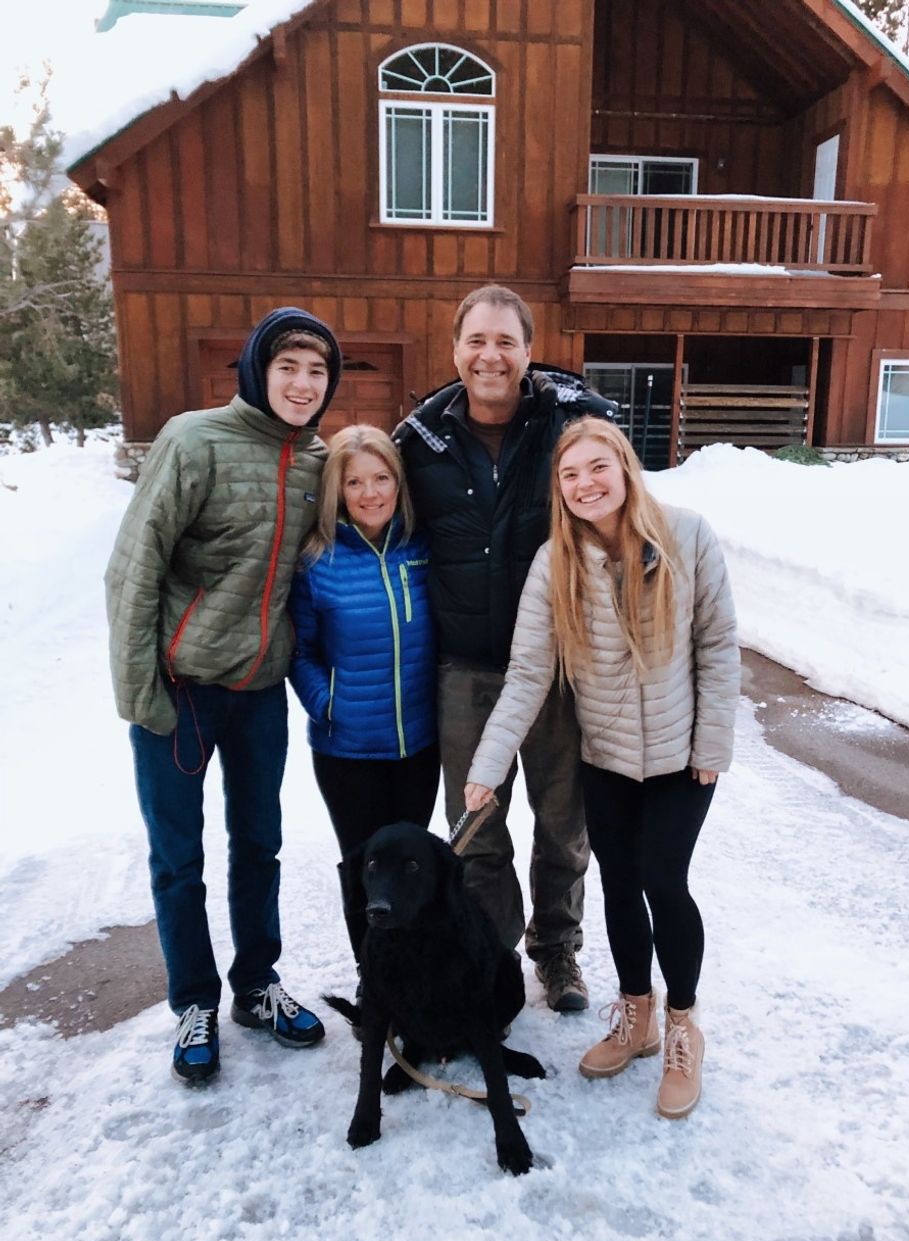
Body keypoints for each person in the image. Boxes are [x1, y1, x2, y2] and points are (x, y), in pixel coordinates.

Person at [464, 417, 739, 1119]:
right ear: (559, 488)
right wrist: (487, 766)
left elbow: (718, 645)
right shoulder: (555, 564)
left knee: (663, 880)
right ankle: (636, 1015)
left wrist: (711, 745)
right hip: (608, 759)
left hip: (681, 758)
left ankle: (682, 1026)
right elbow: (528, 674)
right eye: (570, 474)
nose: (585, 484)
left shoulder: (687, 536)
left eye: (597, 467)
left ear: (624, 467)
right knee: (618, 883)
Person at [105, 306, 343, 1086]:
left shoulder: (318, 462)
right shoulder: (192, 440)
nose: (303, 384)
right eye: (288, 367)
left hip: (260, 694)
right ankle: (194, 1002)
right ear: (256, 369)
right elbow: (133, 569)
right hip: (181, 690)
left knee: (259, 843)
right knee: (179, 857)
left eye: (317, 371)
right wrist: (141, 692)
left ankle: (256, 985)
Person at [395, 284, 617, 1013]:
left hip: (558, 672)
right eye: (476, 341)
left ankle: (556, 950)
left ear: (528, 350)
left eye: (505, 341)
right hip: (465, 672)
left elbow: (620, 518)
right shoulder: (419, 444)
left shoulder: (570, 429)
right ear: (455, 349)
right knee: (478, 828)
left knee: (563, 825)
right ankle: (491, 956)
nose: (490, 356)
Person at [288, 424, 439, 969]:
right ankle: (373, 978)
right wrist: (327, 703)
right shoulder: (317, 561)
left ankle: (416, 975)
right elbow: (298, 649)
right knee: (363, 869)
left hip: (418, 744)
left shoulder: (421, 548)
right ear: (338, 490)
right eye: (355, 482)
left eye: (381, 479)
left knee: (413, 867)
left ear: (399, 482)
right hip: (347, 751)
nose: (370, 493)